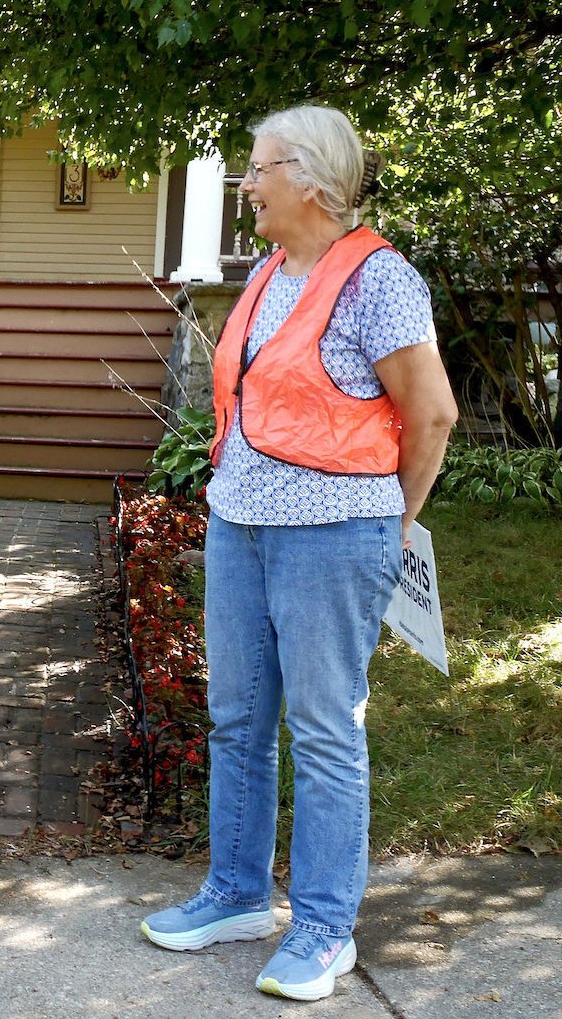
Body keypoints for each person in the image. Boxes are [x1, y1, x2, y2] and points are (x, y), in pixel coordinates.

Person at [139, 106, 458, 1000]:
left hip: (334, 535)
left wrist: (395, 516)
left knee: (323, 730)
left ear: (311, 180)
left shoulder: (381, 280)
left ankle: (323, 927)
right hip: (242, 525)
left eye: (259, 168)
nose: (247, 183)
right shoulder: (272, 271)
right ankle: (237, 893)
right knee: (237, 719)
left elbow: (431, 414)